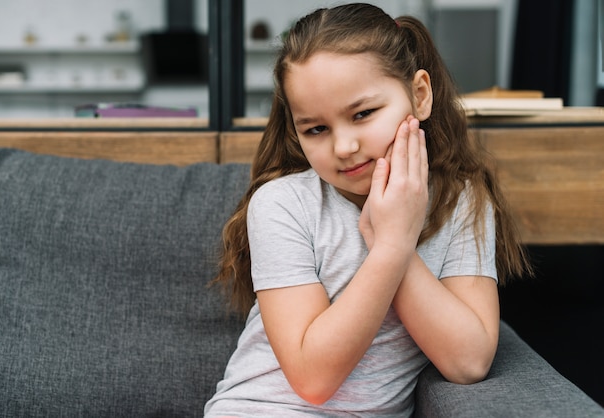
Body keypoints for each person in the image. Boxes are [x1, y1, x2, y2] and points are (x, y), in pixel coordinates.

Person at [204, 3, 530, 417]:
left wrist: (395, 238)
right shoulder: (283, 205)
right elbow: (313, 380)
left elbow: (468, 363)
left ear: (420, 95)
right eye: (316, 129)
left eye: (363, 114)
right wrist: (391, 246)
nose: (343, 147)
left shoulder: (461, 202)